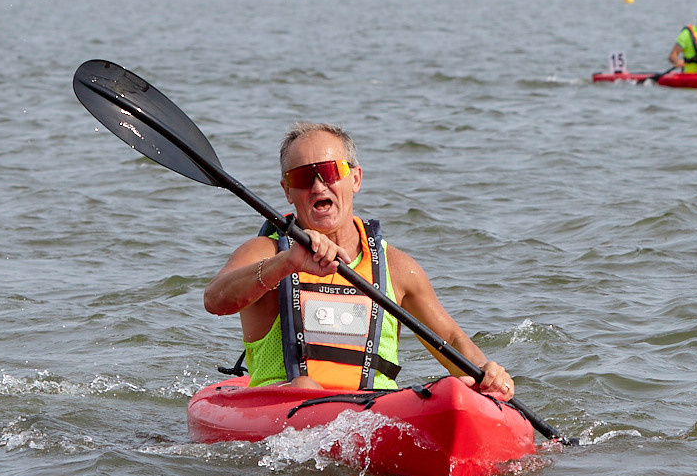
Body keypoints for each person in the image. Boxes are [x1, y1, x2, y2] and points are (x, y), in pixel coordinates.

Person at [203, 122, 516, 401]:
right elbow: (215, 300)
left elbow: (448, 338)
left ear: (355, 178)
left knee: (461, 385)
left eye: (329, 172)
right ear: (287, 191)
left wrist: (486, 372)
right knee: (305, 386)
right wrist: (287, 263)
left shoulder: (396, 267)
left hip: (373, 408)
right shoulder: (267, 252)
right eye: (301, 177)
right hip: (282, 405)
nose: (317, 186)